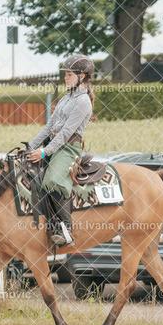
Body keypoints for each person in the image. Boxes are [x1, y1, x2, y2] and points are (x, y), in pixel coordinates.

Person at [26, 55, 95, 247]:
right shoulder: (65, 99)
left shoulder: (83, 102)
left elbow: (65, 133)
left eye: (69, 75)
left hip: (68, 148)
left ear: (82, 77)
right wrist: (30, 147)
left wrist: (44, 152)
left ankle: (65, 230)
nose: (65, 78)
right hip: (52, 143)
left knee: (53, 180)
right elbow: (49, 127)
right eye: (65, 74)